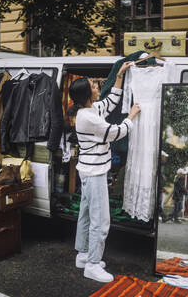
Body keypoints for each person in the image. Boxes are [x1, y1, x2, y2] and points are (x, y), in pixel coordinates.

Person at [68, 62, 141, 283]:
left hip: (89, 171)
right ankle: (92, 265)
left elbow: (110, 102)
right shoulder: (88, 117)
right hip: (94, 172)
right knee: (100, 220)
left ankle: (83, 254)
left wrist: (119, 75)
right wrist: (132, 116)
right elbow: (115, 133)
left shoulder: (89, 109)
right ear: (87, 94)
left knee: (86, 214)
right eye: (93, 84)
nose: (97, 84)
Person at [159, 151, 169, 222]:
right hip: (158, 188)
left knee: (158, 204)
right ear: (161, 156)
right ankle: (164, 216)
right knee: (158, 204)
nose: (165, 159)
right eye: (164, 157)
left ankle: (164, 217)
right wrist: (160, 187)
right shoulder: (159, 165)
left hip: (159, 188)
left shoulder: (161, 165)